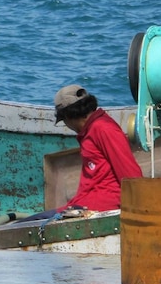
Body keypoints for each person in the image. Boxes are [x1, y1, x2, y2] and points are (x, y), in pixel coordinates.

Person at [20, 84, 143, 222]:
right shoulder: (92, 129)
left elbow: (131, 174)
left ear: (68, 116)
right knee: (25, 223)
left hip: (100, 207)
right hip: (83, 204)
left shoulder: (103, 129)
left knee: (26, 224)